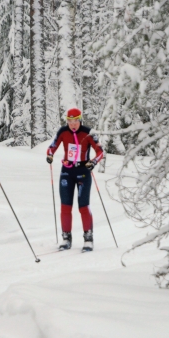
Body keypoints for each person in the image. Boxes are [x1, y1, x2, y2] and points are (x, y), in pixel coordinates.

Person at [46, 107, 104, 251]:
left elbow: (100, 151)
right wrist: (50, 154)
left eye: (75, 121)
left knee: (83, 206)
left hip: (83, 171)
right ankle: (66, 238)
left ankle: (88, 238)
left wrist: (93, 162)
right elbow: (52, 146)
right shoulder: (63, 132)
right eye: (70, 121)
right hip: (67, 172)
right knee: (65, 206)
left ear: (80, 120)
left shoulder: (88, 132)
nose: (72, 124)